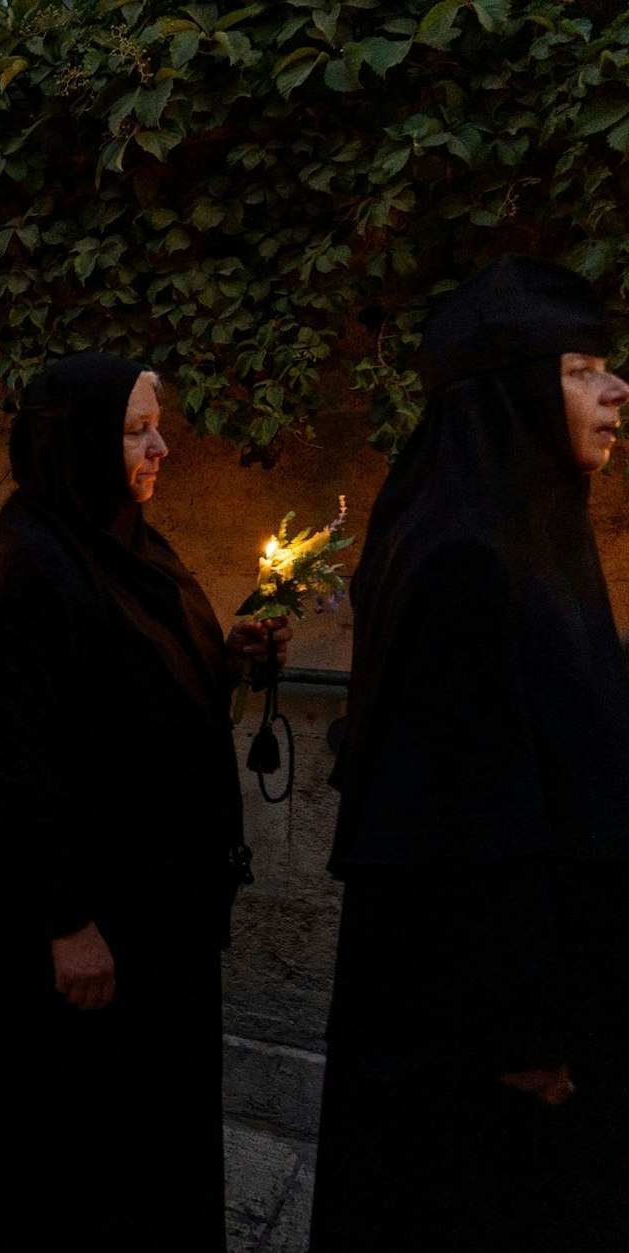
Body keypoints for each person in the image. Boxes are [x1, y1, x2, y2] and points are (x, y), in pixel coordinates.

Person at [0, 353, 289, 1251]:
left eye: (155, 424)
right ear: (81, 442)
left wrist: (228, 657)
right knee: (75, 1157)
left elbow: (132, 694)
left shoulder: (124, 541)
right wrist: (67, 922)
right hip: (84, 930)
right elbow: (10, 766)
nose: (161, 446)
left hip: (151, 915)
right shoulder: (26, 566)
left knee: (145, 1141)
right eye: (136, 431)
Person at [312, 257, 629, 1251]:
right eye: (580, 368)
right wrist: (525, 1032)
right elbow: (462, 826)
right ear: (511, 394)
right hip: (479, 1040)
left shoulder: (528, 529)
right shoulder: (464, 557)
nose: (615, 389)